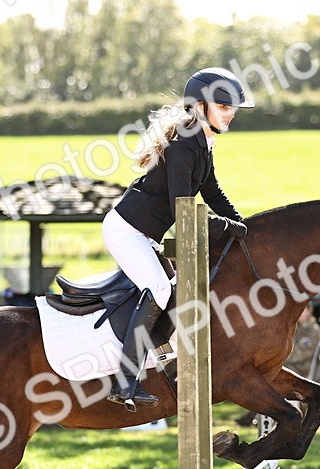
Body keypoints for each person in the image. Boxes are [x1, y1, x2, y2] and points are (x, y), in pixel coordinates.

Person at [104, 67, 254, 411]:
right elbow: (184, 208)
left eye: (232, 107)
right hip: (127, 231)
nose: (231, 113)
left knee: (170, 292)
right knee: (158, 289)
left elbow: (213, 194)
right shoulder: (186, 142)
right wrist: (227, 227)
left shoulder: (202, 141)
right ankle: (125, 382)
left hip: (144, 234)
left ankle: (158, 360)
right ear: (201, 106)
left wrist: (245, 226)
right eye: (225, 106)